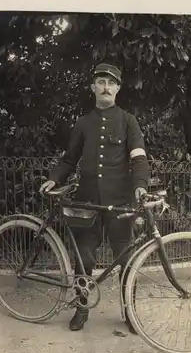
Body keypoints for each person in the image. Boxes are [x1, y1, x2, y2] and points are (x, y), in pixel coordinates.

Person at [40, 62, 150, 333]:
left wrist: (140, 185)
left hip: (119, 202)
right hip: (87, 201)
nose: (106, 87)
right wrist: (55, 178)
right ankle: (81, 309)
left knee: (126, 258)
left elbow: (139, 158)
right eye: (101, 82)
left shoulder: (128, 121)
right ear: (93, 88)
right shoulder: (83, 123)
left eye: (111, 83)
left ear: (118, 89)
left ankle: (129, 313)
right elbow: (69, 159)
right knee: (84, 259)